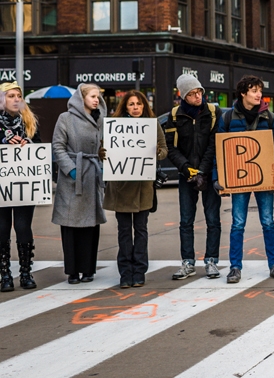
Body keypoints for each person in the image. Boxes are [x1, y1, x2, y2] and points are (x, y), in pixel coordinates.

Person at [212, 75, 274, 283]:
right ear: (243, 93)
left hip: (263, 178)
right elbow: (219, 150)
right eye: (254, 91)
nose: (259, 94)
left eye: (260, 91)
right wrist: (217, 177)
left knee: (268, 221)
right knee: (238, 222)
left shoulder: (269, 118)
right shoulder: (228, 119)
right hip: (239, 180)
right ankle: (235, 267)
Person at [103, 91, 168, 288]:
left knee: (141, 230)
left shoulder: (152, 124)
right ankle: (125, 273)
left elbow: (164, 150)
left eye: (139, 104)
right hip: (120, 187)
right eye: (131, 104)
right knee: (124, 231)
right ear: (125, 106)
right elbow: (105, 153)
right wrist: (102, 152)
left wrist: (157, 151)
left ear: (144, 106)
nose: (135, 107)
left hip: (143, 187)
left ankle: (139, 271)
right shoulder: (115, 126)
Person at [163, 73, 222, 280]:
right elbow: (170, 147)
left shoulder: (213, 112)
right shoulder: (175, 115)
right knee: (186, 221)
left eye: (199, 92)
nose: (198, 97)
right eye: (193, 93)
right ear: (183, 96)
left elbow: (215, 144)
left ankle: (211, 260)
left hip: (208, 174)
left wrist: (203, 171)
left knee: (213, 219)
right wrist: (187, 169)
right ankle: (188, 262)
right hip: (185, 175)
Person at [51, 84, 107, 284]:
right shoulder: (65, 118)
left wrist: (103, 165)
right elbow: (57, 145)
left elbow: (105, 145)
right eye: (93, 96)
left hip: (92, 175)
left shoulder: (100, 119)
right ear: (81, 97)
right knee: (70, 224)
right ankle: (73, 270)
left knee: (90, 225)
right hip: (72, 179)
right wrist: (71, 169)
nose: (96, 100)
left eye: (98, 97)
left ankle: (88, 269)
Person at [0, 82, 41, 291]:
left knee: (24, 226)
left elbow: (42, 148)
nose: (16, 99)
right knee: (2, 228)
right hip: (2, 186)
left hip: (25, 184)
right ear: (2, 99)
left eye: (18, 95)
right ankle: (4, 273)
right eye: (11, 96)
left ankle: (26, 272)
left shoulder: (30, 123)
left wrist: (29, 145)